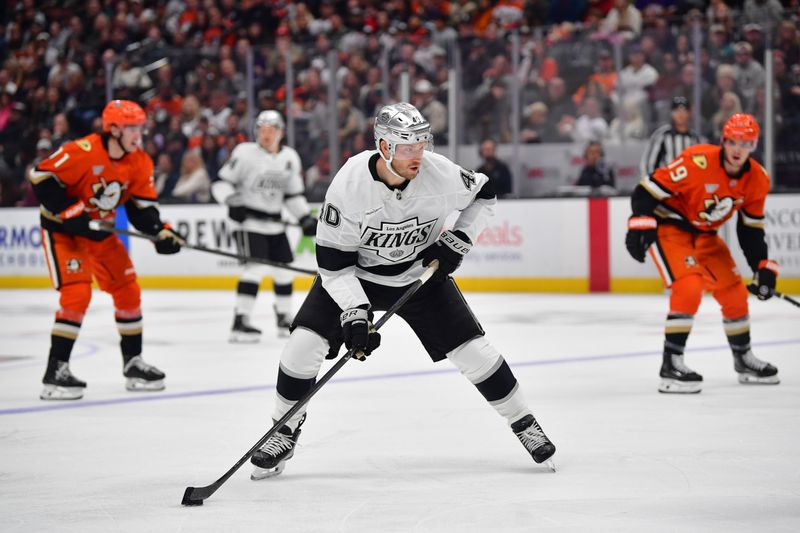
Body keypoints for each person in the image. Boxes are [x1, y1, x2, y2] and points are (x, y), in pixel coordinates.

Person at [248, 102, 556, 481]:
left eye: (421, 144)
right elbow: (333, 267)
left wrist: (459, 239)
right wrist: (356, 314)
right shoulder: (349, 186)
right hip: (356, 276)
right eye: (408, 147)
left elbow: (484, 193)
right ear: (384, 147)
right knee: (302, 346)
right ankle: (283, 430)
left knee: (474, 351)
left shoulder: (440, 173)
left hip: (417, 276)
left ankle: (524, 422)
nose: (418, 155)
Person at [29, 99, 185, 400]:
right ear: (113, 129)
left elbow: (141, 208)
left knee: (128, 290)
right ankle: (56, 370)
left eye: (140, 127)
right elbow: (41, 178)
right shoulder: (83, 151)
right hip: (63, 232)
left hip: (99, 232)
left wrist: (160, 231)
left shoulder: (139, 161)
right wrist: (75, 214)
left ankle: (133, 363)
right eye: (131, 128)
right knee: (77, 294)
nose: (138, 134)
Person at [625, 113, 780, 394]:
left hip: (706, 235)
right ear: (724, 141)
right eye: (733, 142)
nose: (738, 149)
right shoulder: (697, 161)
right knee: (689, 286)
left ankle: (743, 358)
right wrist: (640, 222)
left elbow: (750, 229)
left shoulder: (757, 179)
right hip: (670, 228)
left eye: (745, 144)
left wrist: (762, 266)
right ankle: (671, 363)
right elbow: (647, 189)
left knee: (735, 293)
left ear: (754, 145)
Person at [211, 110, 317, 342]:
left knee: (284, 270)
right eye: (262, 130)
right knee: (254, 269)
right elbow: (221, 183)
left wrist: (304, 217)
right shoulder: (244, 153)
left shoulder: (289, 157)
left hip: (275, 224)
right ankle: (240, 321)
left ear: (281, 132)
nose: (266, 135)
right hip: (249, 223)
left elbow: (292, 194)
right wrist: (232, 201)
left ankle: (284, 317)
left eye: (271, 130)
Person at [639, 96, 704, 177]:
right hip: (667, 182)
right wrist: (652, 182)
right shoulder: (662, 135)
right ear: (671, 113)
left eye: (684, 110)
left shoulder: (694, 138)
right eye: (677, 111)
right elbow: (649, 164)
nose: (680, 114)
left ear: (689, 113)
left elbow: (700, 165)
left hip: (689, 182)